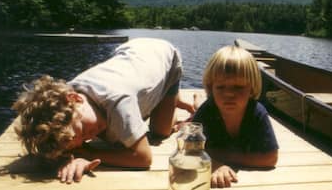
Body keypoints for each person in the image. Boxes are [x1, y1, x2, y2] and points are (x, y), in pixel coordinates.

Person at [12, 38, 195, 184]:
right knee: (118, 135)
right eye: (82, 141)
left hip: (165, 57)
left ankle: (170, 98)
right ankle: (166, 102)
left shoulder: (118, 100)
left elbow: (143, 158)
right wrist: (66, 154)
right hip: (133, 57)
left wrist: (89, 154)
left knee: (160, 131)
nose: (88, 138)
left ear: (75, 98)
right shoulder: (65, 99)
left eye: (83, 131)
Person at [191, 45, 279, 188]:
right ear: (211, 87)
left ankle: (196, 101)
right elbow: (190, 149)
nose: (229, 94)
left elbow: (270, 158)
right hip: (204, 108)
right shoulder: (208, 109)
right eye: (220, 87)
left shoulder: (257, 112)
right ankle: (197, 100)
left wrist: (223, 157)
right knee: (195, 113)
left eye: (238, 87)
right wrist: (217, 165)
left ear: (251, 88)